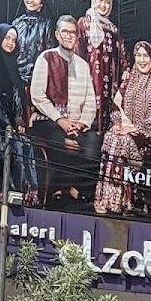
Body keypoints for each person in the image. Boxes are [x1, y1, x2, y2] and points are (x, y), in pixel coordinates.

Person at [93, 42, 151, 216]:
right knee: (111, 136)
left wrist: (132, 129)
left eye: (146, 56)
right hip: (125, 130)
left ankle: (123, 201)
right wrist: (120, 125)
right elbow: (115, 106)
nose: (142, 60)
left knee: (123, 140)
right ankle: (105, 198)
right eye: (139, 55)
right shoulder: (128, 79)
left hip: (147, 136)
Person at [30, 16, 99, 202]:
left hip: (76, 125)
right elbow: (37, 96)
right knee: (58, 142)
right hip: (49, 121)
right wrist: (60, 120)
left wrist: (82, 123)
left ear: (77, 37)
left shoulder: (83, 65)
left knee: (94, 145)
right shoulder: (46, 57)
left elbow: (91, 102)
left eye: (73, 33)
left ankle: (77, 188)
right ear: (57, 35)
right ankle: (58, 189)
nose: (69, 36)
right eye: (65, 32)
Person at [0, 23, 39, 205]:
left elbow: (16, 96)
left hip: (9, 121)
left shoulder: (13, 66)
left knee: (26, 144)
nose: (10, 43)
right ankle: (9, 190)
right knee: (11, 143)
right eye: (7, 38)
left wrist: (18, 119)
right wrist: (8, 123)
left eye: (14, 40)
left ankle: (27, 193)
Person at [76, 0, 128, 134]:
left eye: (107, 2)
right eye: (100, 0)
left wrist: (126, 72)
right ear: (93, 1)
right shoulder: (83, 23)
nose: (103, 5)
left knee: (106, 119)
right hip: (88, 78)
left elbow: (122, 56)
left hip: (109, 82)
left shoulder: (114, 29)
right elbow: (77, 53)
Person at [11, 0, 53, 85]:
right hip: (16, 79)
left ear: (41, 2)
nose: (31, 0)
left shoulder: (47, 25)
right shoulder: (16, 23)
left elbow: (49, 55)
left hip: (38, 80)